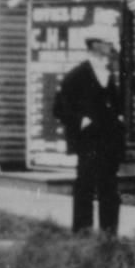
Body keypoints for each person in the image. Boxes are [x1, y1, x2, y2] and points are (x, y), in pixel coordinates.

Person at [53, 24, 127, 236]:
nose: (111, 47)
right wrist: (82, 121)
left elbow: (117, 103)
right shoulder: (77, 75)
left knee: (109, 188)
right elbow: (59, 108)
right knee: (85, 185)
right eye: (108, 44)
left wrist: (119, 119)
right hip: (88, 141)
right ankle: (82, 232)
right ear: (95, 45)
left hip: (109, 141)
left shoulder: (109, 73)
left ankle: (109, 234)